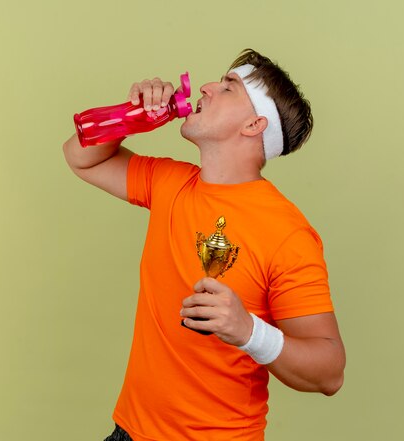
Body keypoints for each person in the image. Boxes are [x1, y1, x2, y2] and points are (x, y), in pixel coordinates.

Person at [63, 49, 346, 441]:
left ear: (254, 124)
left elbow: (329, 372)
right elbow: (81, 157)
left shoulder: (287, 233)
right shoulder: (170, 182)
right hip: (129, 431)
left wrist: (249, 331)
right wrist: (133, 115)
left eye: (229, 86)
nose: (209, 87)